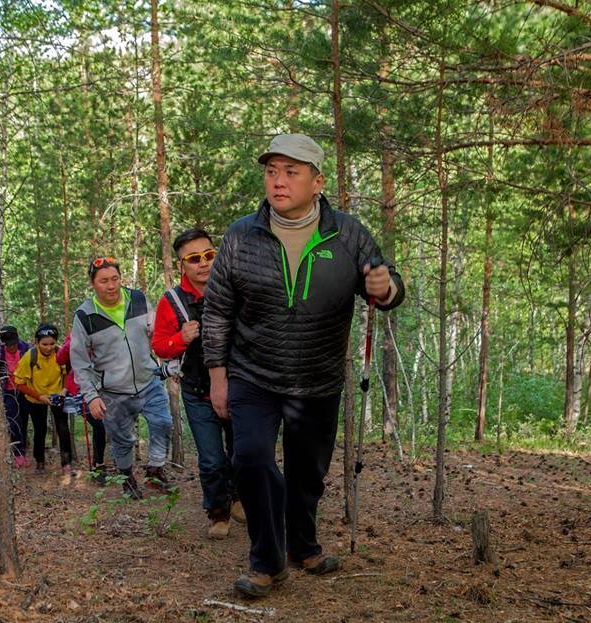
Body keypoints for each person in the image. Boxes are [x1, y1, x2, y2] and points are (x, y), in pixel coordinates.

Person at [203, 133, 405, 597]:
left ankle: (302, 544)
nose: (278, 182)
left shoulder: (347, 233)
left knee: (307, 471)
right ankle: (267, 561)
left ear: (318, 181)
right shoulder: (241, 235)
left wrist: (384, 286)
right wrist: (218, 374)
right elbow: (216, 310)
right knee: (251, 458)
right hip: (254, 373)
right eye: (272, 171)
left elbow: (387, 286)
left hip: (318, 376)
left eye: (291, 172)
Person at [153, 228, 245, 539]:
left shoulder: (235, 288)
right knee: (210, 458)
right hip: (196, 391)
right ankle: (218, 513)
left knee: (242, 450)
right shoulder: (172, 301)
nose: (203, 263)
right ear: (182, 264)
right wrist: (182, 338)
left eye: (209, 255)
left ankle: (238, 497)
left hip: (239, 386)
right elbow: (160, 346)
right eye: (194, 259)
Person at [71, 257, 173, 499]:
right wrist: (91, 396)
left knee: (163, 423)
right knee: (122, 439)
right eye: (104, 281)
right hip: (112, 391)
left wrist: (170, 361)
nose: (111, 285)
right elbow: (79, 362)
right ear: (93, 284)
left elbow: (156, 332)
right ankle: (127, 478)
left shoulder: (137, 299)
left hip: (149, 381)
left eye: (115, 279)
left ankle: (155, 470)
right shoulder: (85, 315)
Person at [13, 323, 73, 475]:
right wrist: (40, 396)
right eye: (44, 344)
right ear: (37, 342)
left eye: (52, 343)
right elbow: (19, 384)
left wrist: (64, 389)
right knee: (40, 430)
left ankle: (67, 464)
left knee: (63, 429)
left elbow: (67, 373)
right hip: (36, 398)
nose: (49, 347)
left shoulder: (60, 353)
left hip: (57, 395)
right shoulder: (29, 357)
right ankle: (39, 461)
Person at [57, 333, 107, 485]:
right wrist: (74, 339)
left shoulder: (104, 331)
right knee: (99, 424)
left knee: (105, 426)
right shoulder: (73, 337)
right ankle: (98, 465)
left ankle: (100, 464)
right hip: (81, 388)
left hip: (106, 384)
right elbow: (60, 359)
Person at [0, 325, 31, 467]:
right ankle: (18, 454)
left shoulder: (26, 349)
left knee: (23, 420)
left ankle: (23, 447)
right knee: (13, 421)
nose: (11, 347)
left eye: (13, 343)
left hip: (25, 390)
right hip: (9, 391)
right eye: (8, 344)